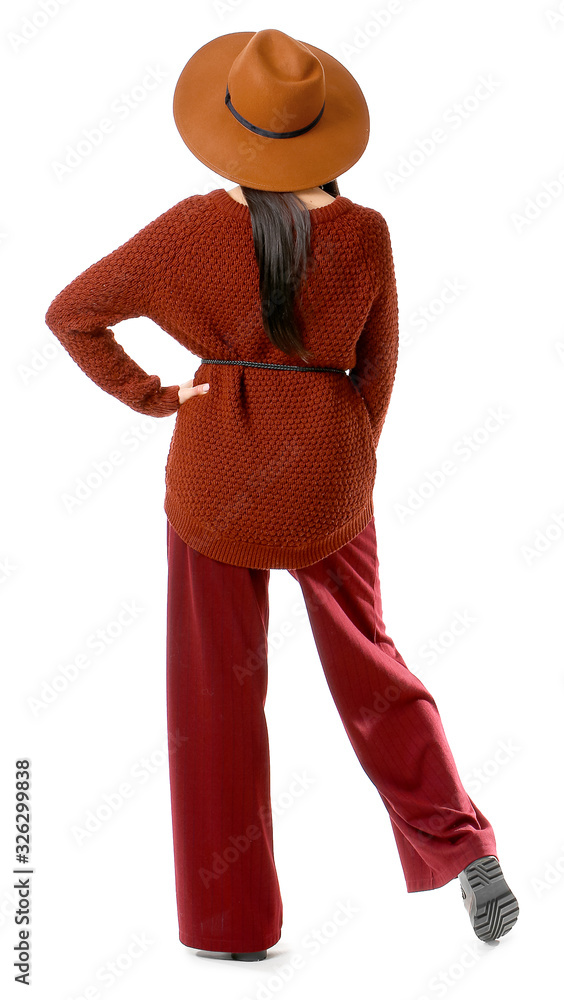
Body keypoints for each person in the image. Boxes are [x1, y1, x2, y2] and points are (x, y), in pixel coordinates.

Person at [44, 28, 519, 962]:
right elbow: (377, 370)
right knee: (372, 664)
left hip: (216, 479)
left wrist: (156, 397)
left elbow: (72, 312)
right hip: (329, 481)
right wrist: (343, 455)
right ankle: (465, 845)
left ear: (233, 131)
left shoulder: (189, 229)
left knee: (213, 698)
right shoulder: (368, 233)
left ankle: (232, 926)